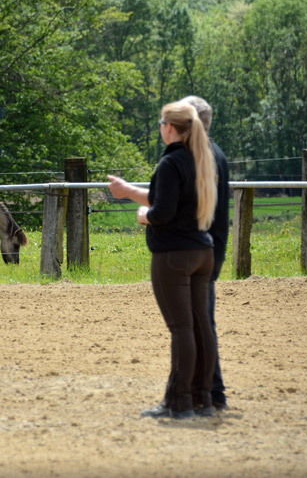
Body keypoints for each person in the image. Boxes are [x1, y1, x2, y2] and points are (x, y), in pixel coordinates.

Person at [107, 99, 218, 419]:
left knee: (181, 329)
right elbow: (166, 197)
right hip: (201, 252)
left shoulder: (170, 163)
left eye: (161, 124)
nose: (160, 128)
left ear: (169, 127)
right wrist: (128, 190)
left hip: (174, 256)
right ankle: (203, 399)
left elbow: (162, 211)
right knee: (200, 327)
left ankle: (180, 402)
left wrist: (144, 217)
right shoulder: (200, 159)